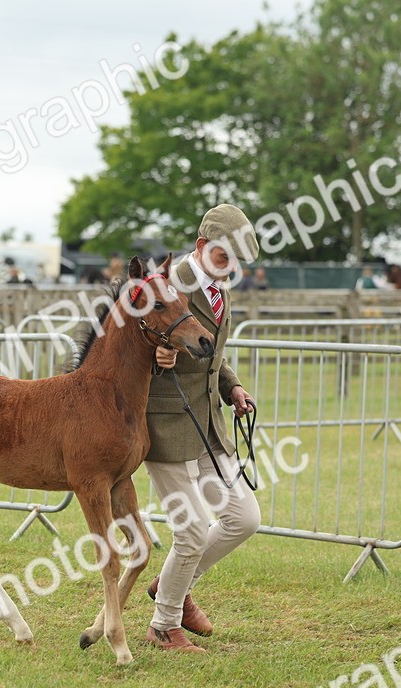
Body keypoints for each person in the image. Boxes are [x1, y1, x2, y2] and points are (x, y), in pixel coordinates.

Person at [143, 204, 261, 653]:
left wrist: (233, 387)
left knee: (244, 517)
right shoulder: (167, 285)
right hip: (167, 422)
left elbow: (213, 353)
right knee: (190, 531)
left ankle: (172, 584)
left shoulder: (219, 287)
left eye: (235, 261)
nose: (230, 269)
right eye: (221, 258)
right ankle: (163, 624)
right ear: (199, 247)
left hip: (208, 421)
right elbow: (134, 345)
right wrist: (157, 357)